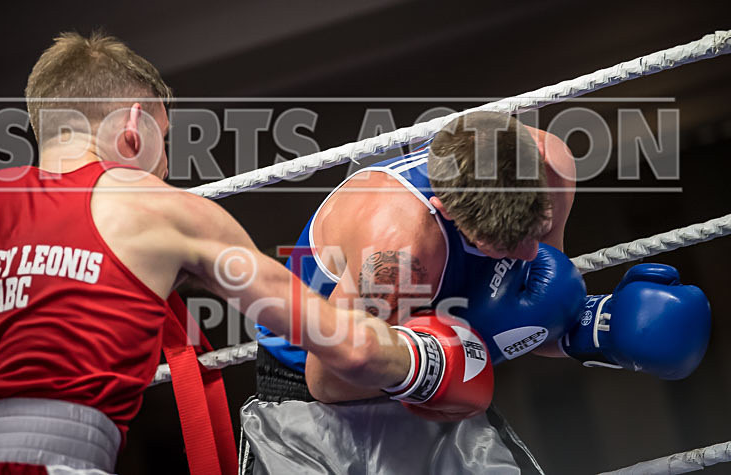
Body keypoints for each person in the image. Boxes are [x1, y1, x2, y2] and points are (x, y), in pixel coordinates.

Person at [0, 32, 489, 475]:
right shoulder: (165, 212)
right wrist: (436, 359)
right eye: (166, 139)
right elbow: (343, 346)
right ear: (133, 125)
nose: (166, 165)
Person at [243, 111, 711, 474]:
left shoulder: (551, 165)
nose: (530, 254)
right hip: (314, 389)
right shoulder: (396, 255)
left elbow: (525, 311)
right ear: (446, 211)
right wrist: (460, 354)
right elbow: (327, 381)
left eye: (538, 229)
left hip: (433, 358)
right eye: (506, 245)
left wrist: (591, 327)